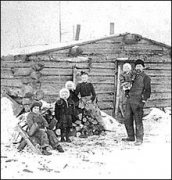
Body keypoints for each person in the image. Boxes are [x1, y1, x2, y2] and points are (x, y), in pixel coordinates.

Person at [122, 59, 151, 146]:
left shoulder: (146, 77)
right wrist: (127, 93)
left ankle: (139, 139)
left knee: (138, 121)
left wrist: (143, 100)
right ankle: (130, 136)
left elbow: (148, 91)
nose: (138, 68)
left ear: (143, 67)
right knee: (127, 119)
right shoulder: (132, 76)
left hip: (138, 101)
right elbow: (127, 85)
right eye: (137, 66)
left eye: (140, 66)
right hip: (130, 100)